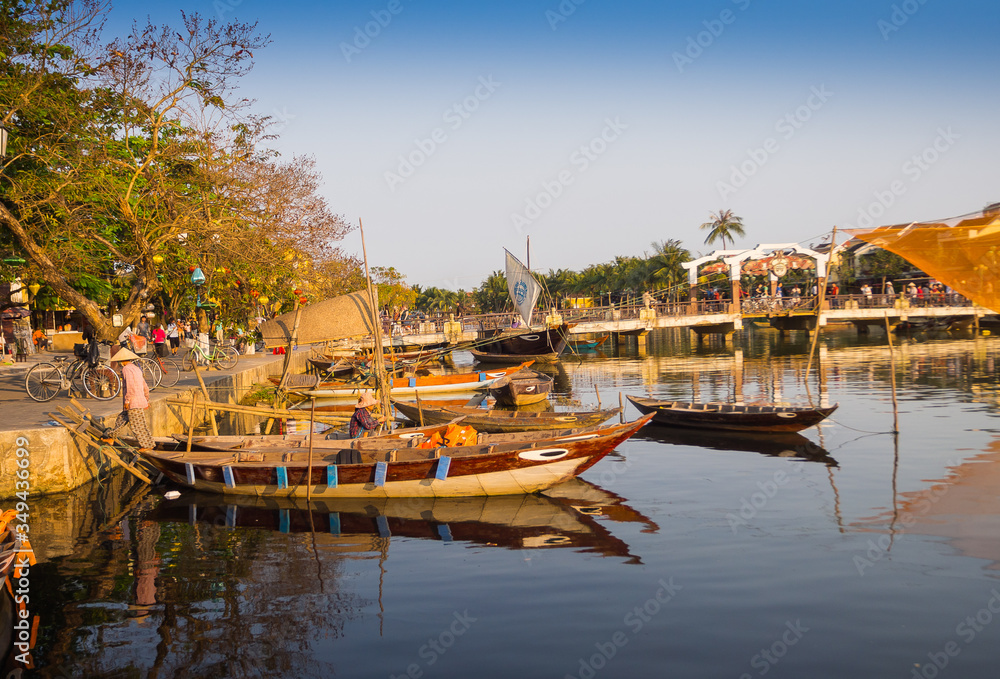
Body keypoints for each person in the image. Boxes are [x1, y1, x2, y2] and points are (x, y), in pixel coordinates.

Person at [103, 348, 154, 450]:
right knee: (121, 420)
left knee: (138, 426)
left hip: (133, 402)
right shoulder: (136, 369)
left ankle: (147, 445)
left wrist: (127, 401)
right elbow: (145, 387)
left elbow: (130, 386)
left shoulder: (126, 369)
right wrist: (146, 399)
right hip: (138, 401)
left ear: (122, 360)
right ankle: (111, 437)